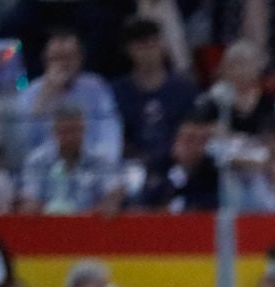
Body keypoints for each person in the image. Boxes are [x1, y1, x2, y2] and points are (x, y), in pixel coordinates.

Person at [14, 31, 123, 165]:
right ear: (45, 60)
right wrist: (46, 94)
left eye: (67, 58)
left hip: (91, 164)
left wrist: (105, 164)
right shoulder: (31, 92)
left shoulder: (96, 87)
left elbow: (110, 131)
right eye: (56, 58)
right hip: (44, 167)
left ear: (79, 59)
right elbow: (22, 141)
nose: (62, 64)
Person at [112, 17, 198, 166]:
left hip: (176, 164)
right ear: (129, 50)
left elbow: (192, 132)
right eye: (141, 46)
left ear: (162, 45)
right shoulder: (117, 91)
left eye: (153, 44)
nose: (148, 52)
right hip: (131, 166)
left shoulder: (184, 89)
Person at [19, 107, 124, 215]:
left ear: (83, 130)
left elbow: (113, 189)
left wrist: (111, 201)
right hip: (48, 225)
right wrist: (31, 205)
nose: (69, 137)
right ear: (54, 132)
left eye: (74, 131)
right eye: (64, 132)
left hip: (91, 225)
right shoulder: (37, 161)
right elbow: (30, 195)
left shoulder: (101, 160)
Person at [137, 112, 220, 211]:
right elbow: (146, 203)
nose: (193, 146)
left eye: (202, 141)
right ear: (176, 141)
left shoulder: (213, 171)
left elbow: (209, 204)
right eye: (189, 139)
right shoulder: (159, 164)